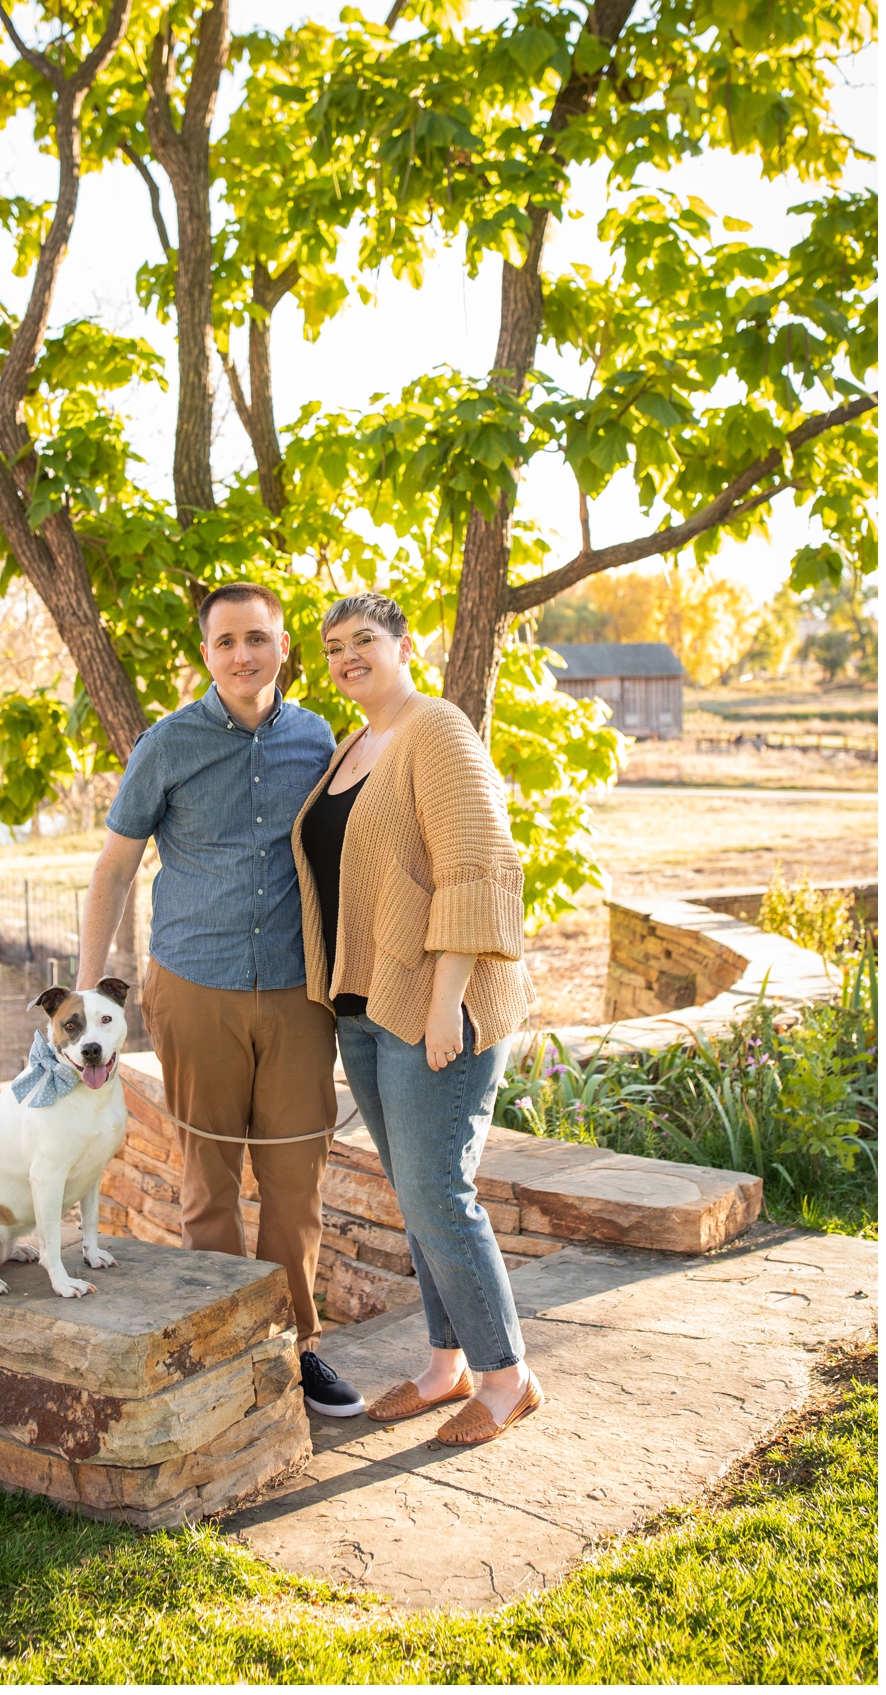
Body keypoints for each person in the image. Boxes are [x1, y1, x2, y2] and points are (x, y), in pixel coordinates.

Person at [80, 583, 362, 1418]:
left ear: (284, 649)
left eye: (259, 639)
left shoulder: (320, 739)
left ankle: (298, 1348)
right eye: (227, 640)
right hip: (195, 986)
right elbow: (115, 868)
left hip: (298, 993)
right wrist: (92, 993)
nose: (244, 654)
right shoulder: (167, 745)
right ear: (206, 653)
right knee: (207, 1181)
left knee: (294, 1182)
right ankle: (228, 1350)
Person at [289, 591, 542, 1445]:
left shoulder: (438, 729)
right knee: (416, 1193)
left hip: (437, 1007)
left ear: (404, 645)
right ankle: (447, 1366)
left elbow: (477, 867)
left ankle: (507, 1377)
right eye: (332, 647)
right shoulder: (351, 745)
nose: (346, 656)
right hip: (365, 1006)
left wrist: (447, 1007)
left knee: (440, 1194)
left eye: (363, 639)